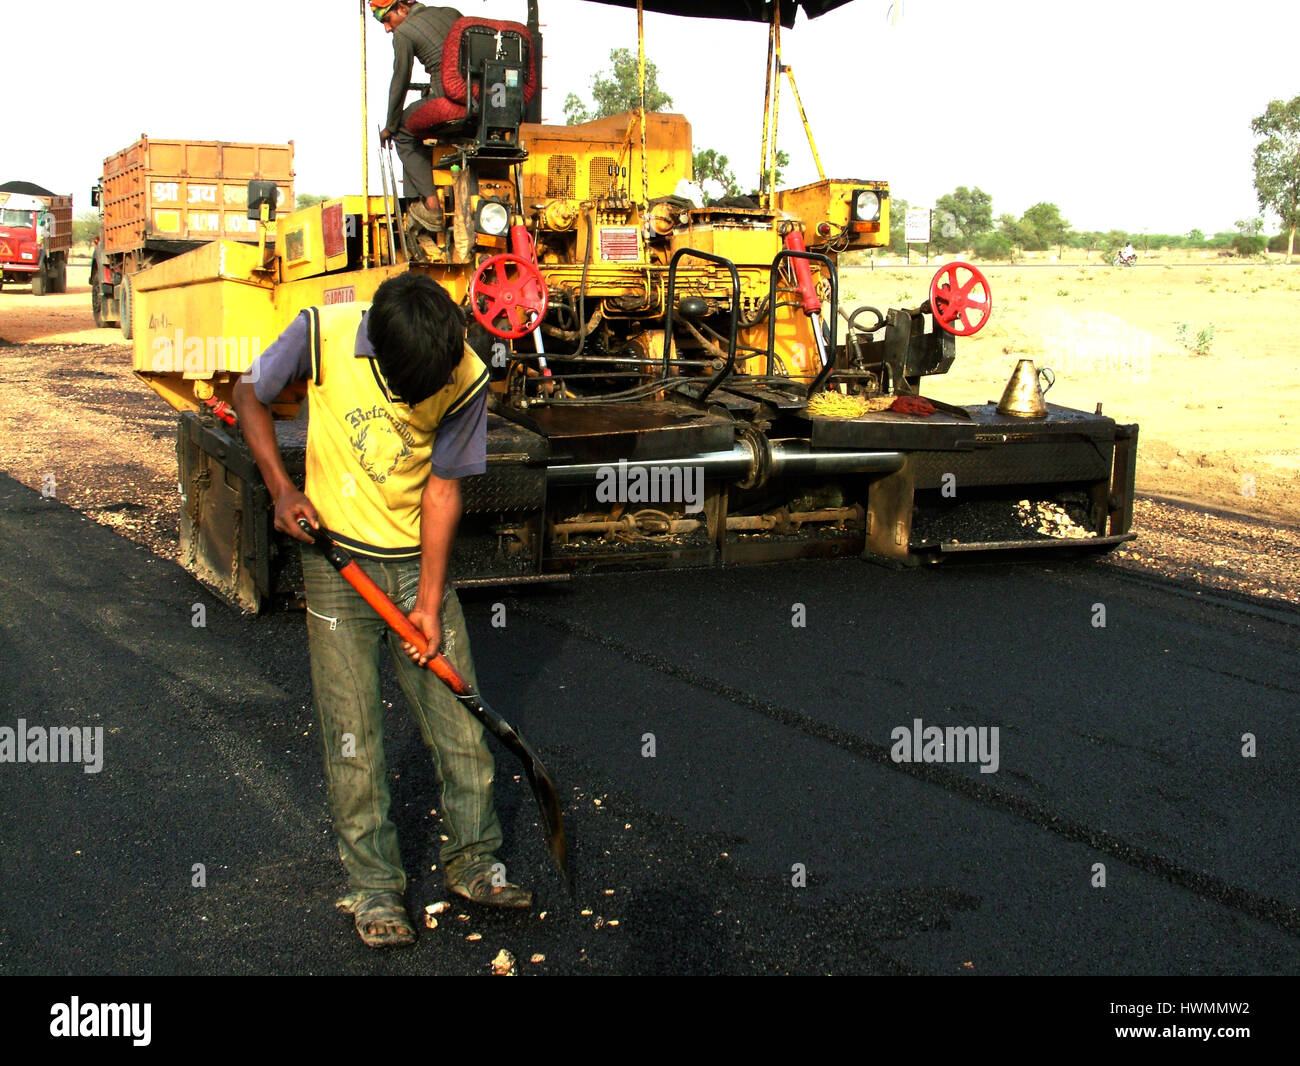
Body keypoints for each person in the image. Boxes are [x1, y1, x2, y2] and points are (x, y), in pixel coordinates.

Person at [231, 273, 531, 950]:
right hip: (336, 563)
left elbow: (442, 491)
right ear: (380, 356)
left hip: (413, 561)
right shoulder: (322, 332)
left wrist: (428, 603)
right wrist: (281, 491)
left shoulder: (465, 372)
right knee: (354, 735)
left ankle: (475, 863)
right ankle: (374, 888)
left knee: (460, 718)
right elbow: (247, 393)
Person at [372, 0, 463, 231]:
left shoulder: (404, 32)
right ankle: (420, 201)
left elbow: (400, 80)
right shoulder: (451, 13)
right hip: (482, 98)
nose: (387, 28)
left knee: (403, 130)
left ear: (402, 8)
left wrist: (390, 126)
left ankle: (432, 208)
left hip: (448, 99)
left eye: (386, 20)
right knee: (418, 131)